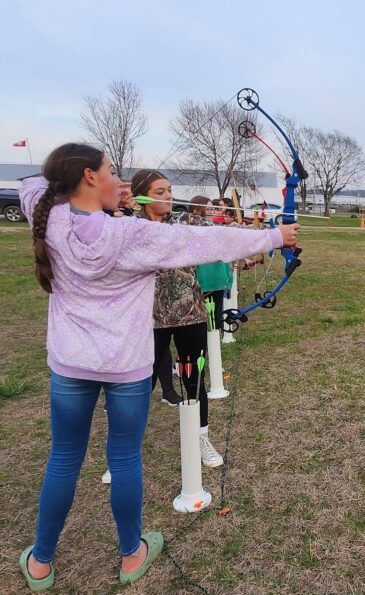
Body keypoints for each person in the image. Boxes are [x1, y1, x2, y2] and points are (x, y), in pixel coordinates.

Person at [18, 143, 297, 590]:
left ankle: (40, 562)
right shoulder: (131, 235)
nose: (119, 179)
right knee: (124, 458)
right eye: (111, 171)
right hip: (124, 368)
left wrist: (106, 196)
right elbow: (206, 241)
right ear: (89, 176)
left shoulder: (49, 216)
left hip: (71, 366)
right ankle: (132, 555)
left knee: (64, 458)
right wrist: (273, 237)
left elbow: (31, 184)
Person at [133, 173, 224, 467]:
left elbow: (221, 234)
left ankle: (201, 438)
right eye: (160, 191)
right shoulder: (129, 227)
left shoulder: (186, 223)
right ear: (142, 197)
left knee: (194, 380)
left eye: (170, 190)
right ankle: (125, 450)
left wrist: (272, 233)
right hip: (148, 319)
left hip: (191, 315)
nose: (169, 196)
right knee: (138, 384)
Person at [188, 197, 233, 330]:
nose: (212, 211)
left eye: (212, 208)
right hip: (204, 280)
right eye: (208, 209)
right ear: (196, 210)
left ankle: (215, 345)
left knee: (217, 317)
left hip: (218, 278)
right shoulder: (194, 229)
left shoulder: (214, 228)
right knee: (203, 321)